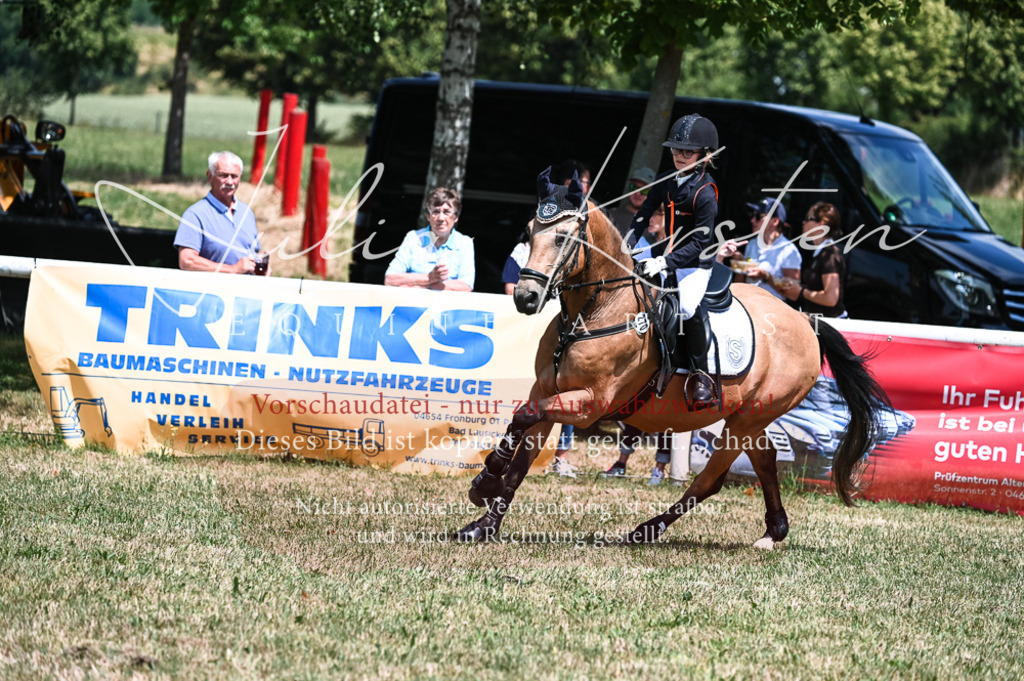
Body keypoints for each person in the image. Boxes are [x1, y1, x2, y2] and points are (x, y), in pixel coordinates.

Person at [627, 113, 720, 408]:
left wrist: (666, 262)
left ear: (704, 154)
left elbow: (700, 241)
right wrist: (626, 244)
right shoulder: (667, 179)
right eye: (676, 150)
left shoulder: (706, 192)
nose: (680, 156)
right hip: (667, 252)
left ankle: (701, 375)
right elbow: (645, 212)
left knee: (688, 306)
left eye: (687, 151)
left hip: (696, 260)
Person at [175, 151, 269, 274]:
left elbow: (252, 252)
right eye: (223, 175)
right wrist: (232, 269)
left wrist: (262, 266)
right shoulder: (195, 214)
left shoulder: (247, 212)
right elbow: (187, 261)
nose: (230, 182)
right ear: (210, 176)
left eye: (234, 176)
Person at [384, 187, 475, 291]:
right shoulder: (413, 238)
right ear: (428, 216)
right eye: (436, 212)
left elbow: (466, 286)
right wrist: (430, 277)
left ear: (455, 217)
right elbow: (390, 279)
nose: (441, 218)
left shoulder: (464, 243)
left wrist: (423, 285)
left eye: (446, 212)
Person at [775, 202, 848, 317]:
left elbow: (831, 299)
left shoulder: (830, 256)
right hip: (820, 322)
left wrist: (800, 291)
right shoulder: (821, 253)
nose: (803, 222)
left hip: (831, 324)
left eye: (808, 218)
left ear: (821, 224)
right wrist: (796, 287)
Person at [719, 198, 800, 300]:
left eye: (758, 216)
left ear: (775, 221)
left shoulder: (789, 251)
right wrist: (741, 265)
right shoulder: (752, 244)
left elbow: (794, 294)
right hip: (748, 304)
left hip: (773, 311)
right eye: (752, 215)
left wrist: (766, 276)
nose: (752, 220)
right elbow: (739, 285)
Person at [608, 167, 656, 237]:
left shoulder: (654, 226)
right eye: (633, 187)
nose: (637, 193)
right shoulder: (610, 215)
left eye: (644, 190)